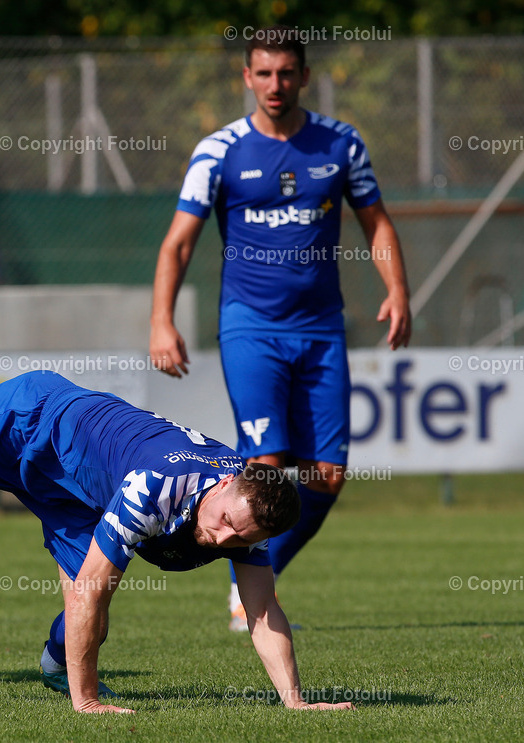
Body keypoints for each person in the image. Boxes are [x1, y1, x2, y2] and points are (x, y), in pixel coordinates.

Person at [0, 281, 354, 714]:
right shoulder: (155, 489)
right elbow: (88, 591)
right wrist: (89, 705)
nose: (221, 539)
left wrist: (295, 702)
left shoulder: (249, 510)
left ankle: (56, 668)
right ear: (219, 486)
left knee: (92, 625)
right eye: (223, 523)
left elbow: (260, 609)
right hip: (18, 425)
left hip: (74, 487)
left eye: (240, 538)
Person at [149, 27, 412, 631]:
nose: (275, 84)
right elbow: (178, 244)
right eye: (263, 74)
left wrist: (398, 291)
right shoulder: (218, 151)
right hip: (251, 328)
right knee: (265, 467)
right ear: (247, 78)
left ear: (304, 76)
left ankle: (257, 579)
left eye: (286, 73)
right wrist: (162, 320)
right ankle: (249, 593)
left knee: (326, 478)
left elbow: (377, 223)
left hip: (321, 329)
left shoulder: (341, 144)